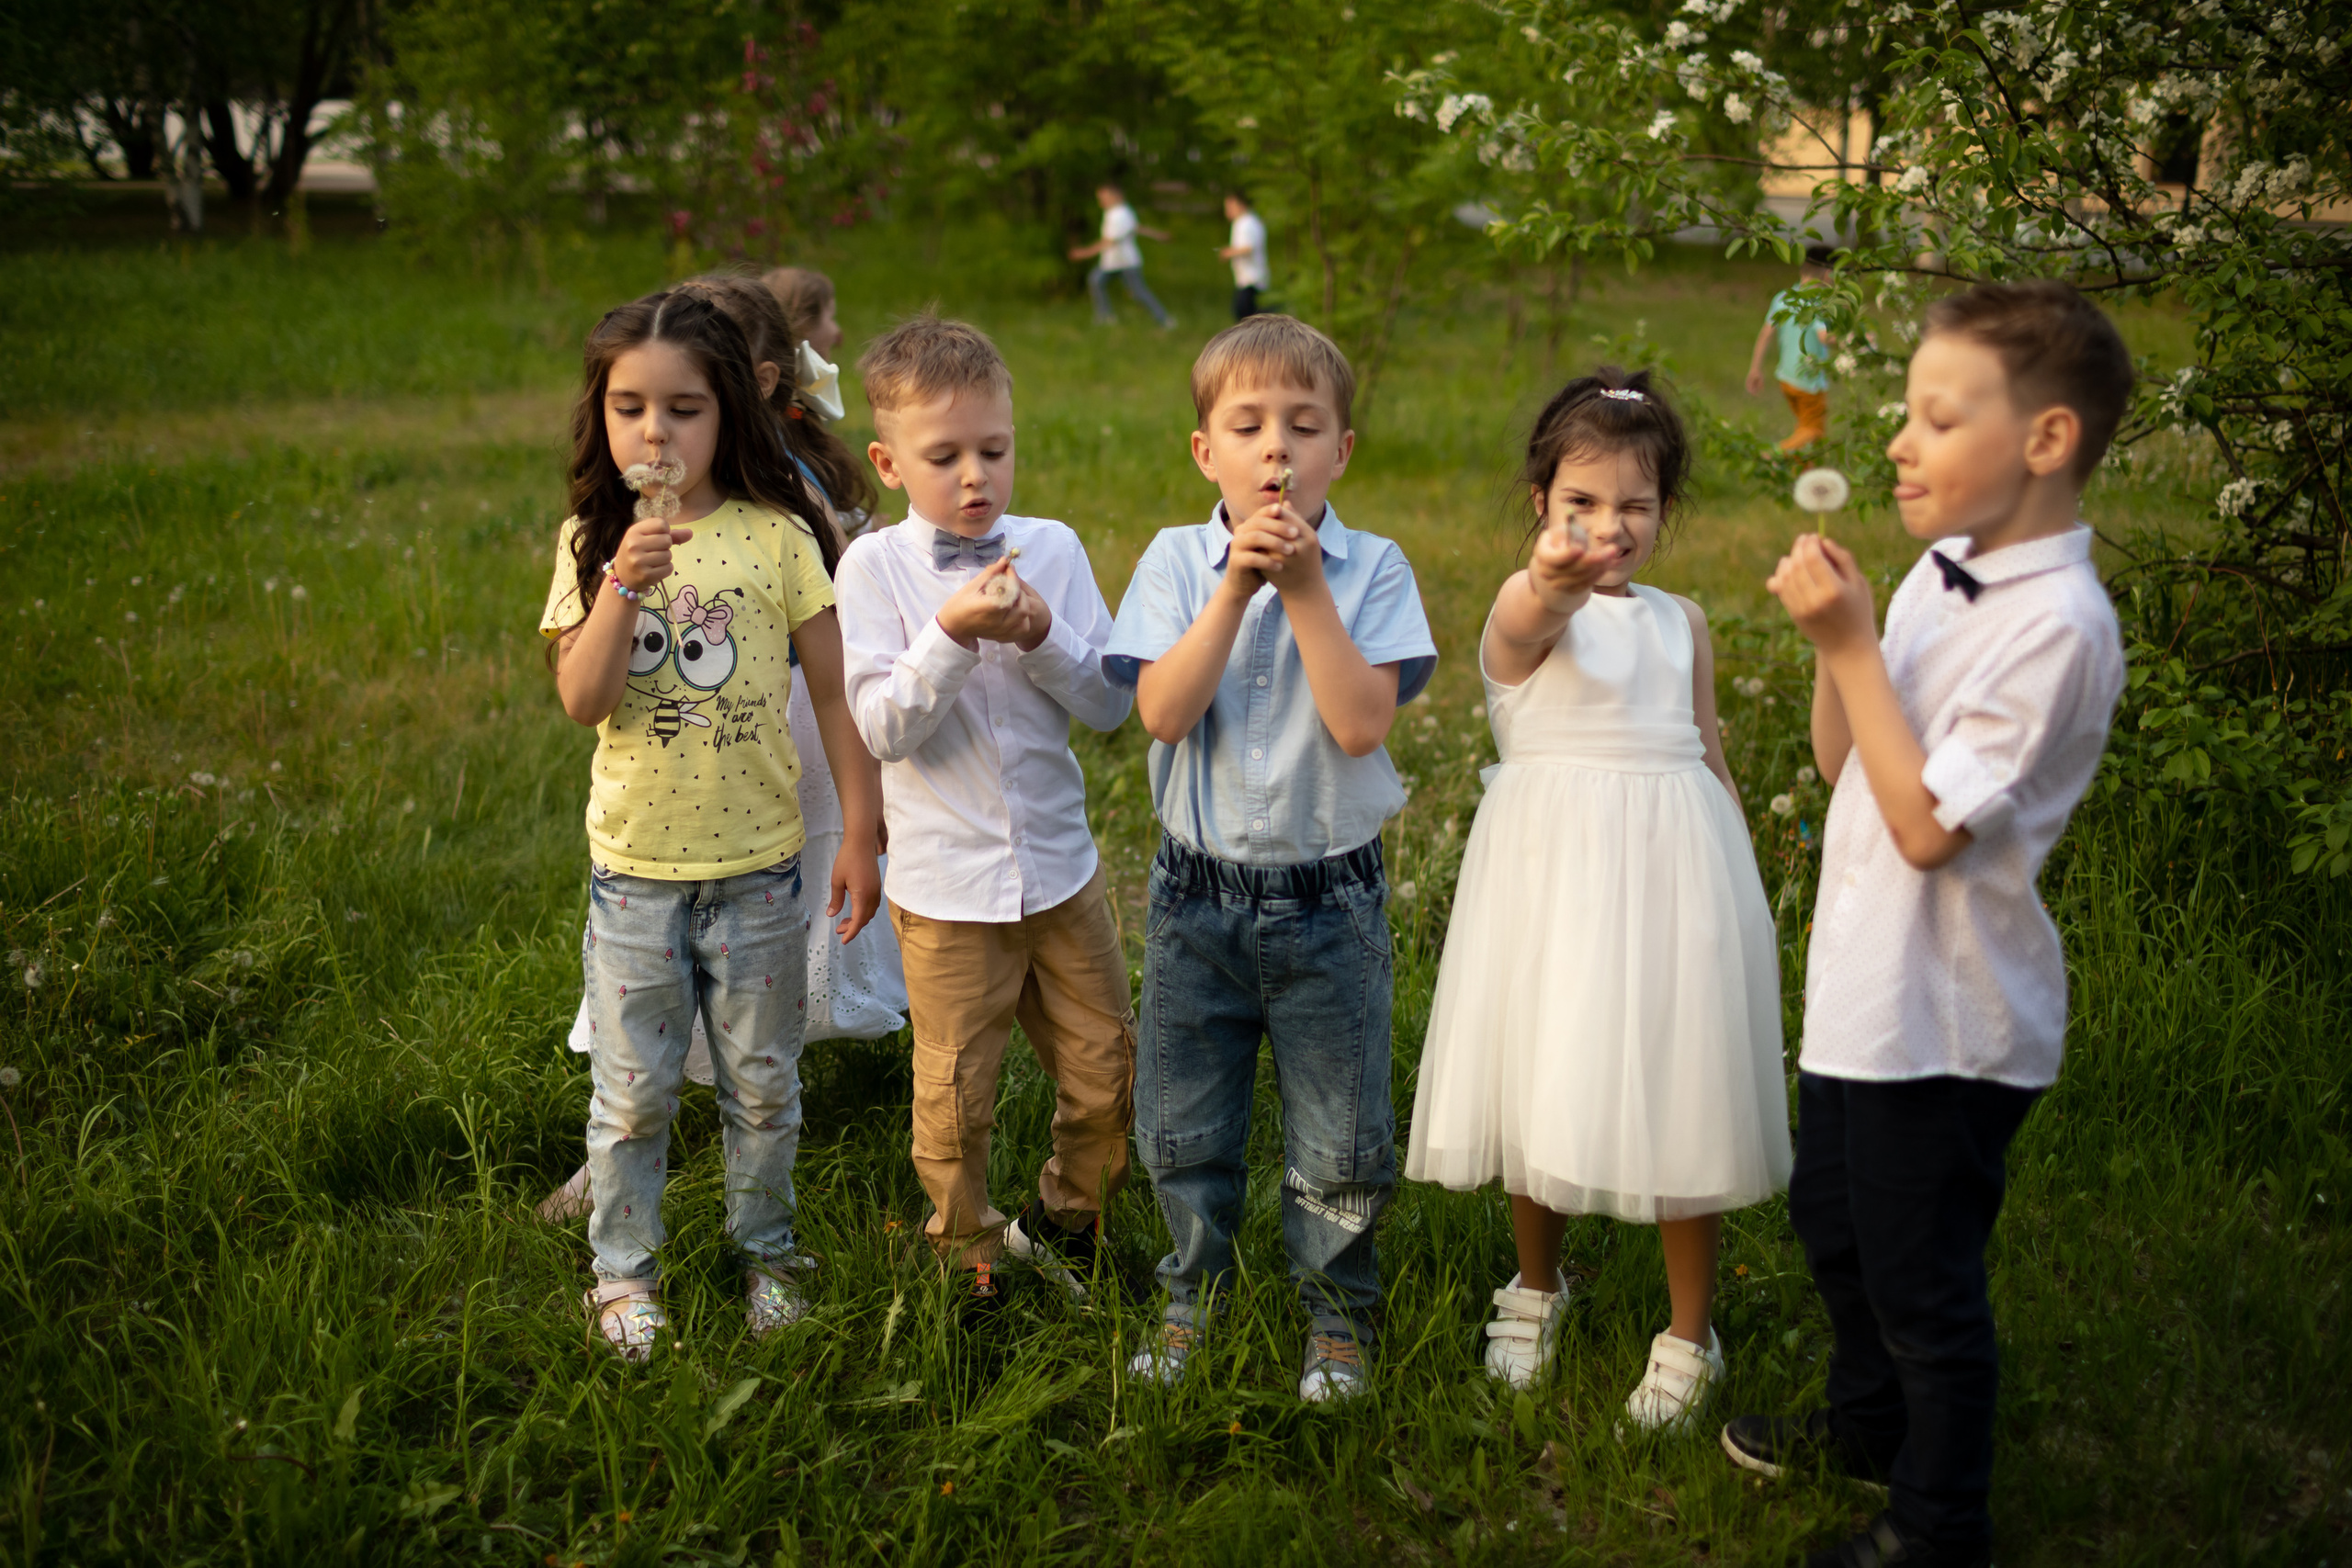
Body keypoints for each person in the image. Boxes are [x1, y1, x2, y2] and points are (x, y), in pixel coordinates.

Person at [1729, 279, 2131, 1568]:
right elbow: (1851, 765)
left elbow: (1924, 827)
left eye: (1937, 416)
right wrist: (1833, 647)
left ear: (2046, 439)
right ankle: (1866, 1421)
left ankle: (1937, 1520)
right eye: (1905, 411)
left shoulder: (2057, 628)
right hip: (1867, 986)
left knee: (1923, 1282)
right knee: (1835, 1223)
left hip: (1952, 1016)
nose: (1897, 441)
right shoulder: (1935, 576)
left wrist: (1853, 645)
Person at [1405, 368, 1791, 1431]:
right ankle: (1537, 1284)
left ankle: (1686, 1329)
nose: (1607, 528)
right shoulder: (1528, 607)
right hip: (1553, 890)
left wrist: (1741, 894)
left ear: (1666, 512)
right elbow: (1529, 616)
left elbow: (1709, 757)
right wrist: (1549, 574)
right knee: (1543, 1076)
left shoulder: (1685, 625)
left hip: (1678, 881)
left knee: (1686, 1092)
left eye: (1634, 507)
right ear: (1542, 503)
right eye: (1580, 504)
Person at [540, 288, 884, 1359]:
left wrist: (864, 834)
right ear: (602, 417)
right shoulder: (591, 540)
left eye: (682, 409)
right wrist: (618, 593)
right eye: (630, 407)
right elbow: (583, 700)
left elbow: (834, 696)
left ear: (730, 408)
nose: (656, 433)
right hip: (637, 873)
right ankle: (622, 1273)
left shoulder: (780, 537)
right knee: (635, 1093)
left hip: (761, 873)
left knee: (763, 1084)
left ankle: (767, 1252)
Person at [1105, 314, 1439, 1403]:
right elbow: (1160, 710)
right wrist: (1233, 589)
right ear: (1206, 451)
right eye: (1246, 425)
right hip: (1194, 898)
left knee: (1338, 1134)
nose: (1274, 449)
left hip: (1325, 903)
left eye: (1302, 425)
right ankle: (1189, 1292)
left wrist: (1302, 588)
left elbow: (1357, 725)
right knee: (1183, 1120)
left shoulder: (1373, 568)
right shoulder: (1173, 560)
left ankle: (1337, 1317)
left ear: (1341, 451)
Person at [832, 315, 1137, 1316]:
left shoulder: (1050, 548)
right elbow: (880, 727)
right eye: (945, 456)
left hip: (1060, 873)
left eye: (994, 451)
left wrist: (1042, 634)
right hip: (949, 889)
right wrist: (952, 637)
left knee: (1105, 1067)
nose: (976, 476)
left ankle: (1065, 1220)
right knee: (957, 1094)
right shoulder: (874, 572)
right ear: (887, 463)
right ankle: (962, 1251)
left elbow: (1106, 705)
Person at [1746, 244, 1838, 452]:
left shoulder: (1783, 297)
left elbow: (1765, 334)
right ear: (1828, 274)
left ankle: (1801, 473)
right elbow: (1825, 337)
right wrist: (1855, 339)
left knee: (1804, 431)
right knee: (1814, 432)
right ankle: (1775, 454)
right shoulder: (1818, 304)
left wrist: (1755, 369)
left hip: (1786, 379)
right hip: (1809, 382)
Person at [1069, 182, 1173, 329]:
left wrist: (1084, 253)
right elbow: (1136, 228)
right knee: (1095, 280)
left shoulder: (1119, 215)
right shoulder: (1119, 211)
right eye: (1100, 198)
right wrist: (1158, 235)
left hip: (1125, 262)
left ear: (1116, 196)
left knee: (1138, 292)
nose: (1101, 202)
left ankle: (1164, 320)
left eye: (1104, 198)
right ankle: (1105, 316)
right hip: (1112, 262)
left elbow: (1109, 241)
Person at [1217, 190, 1270, 321]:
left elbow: (1248, 248)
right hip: (1248, 276)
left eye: (1230, 207)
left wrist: (1228, 252)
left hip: (1251, 278)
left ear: (1241, 205)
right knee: (1249, 312)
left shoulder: (1246, 223)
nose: (1228, 211)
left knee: (1243, 312)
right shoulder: (1245, 222)